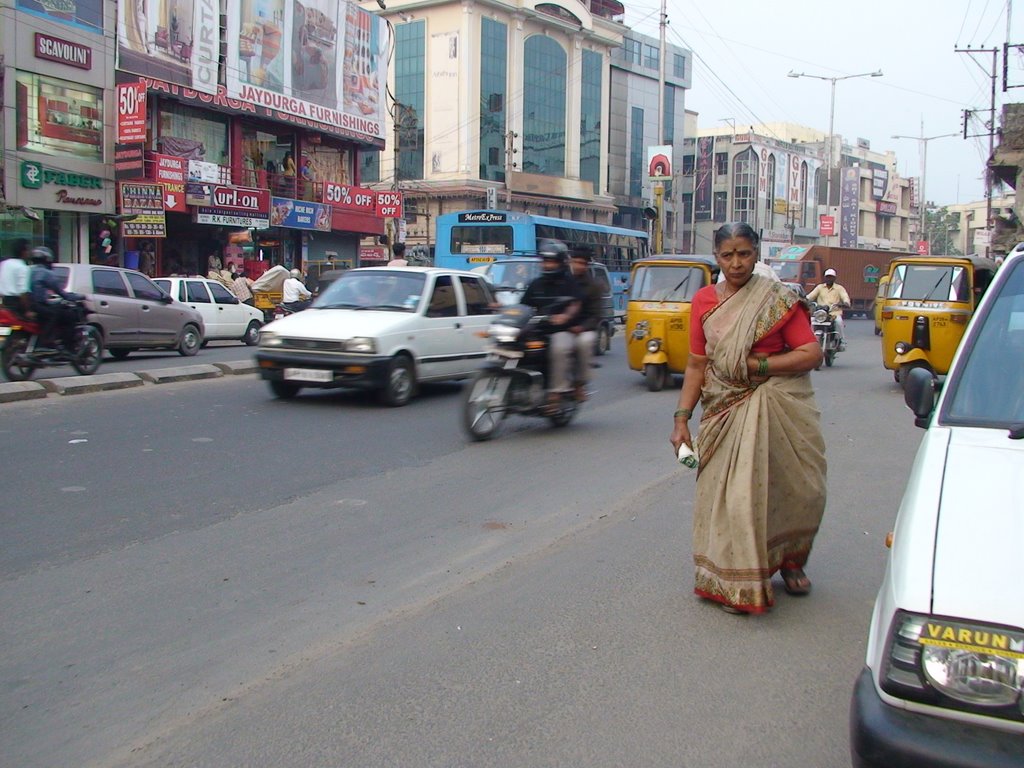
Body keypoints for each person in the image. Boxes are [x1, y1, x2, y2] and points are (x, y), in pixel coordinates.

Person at [669, 222, 827, 615]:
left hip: (779, 405)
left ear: (756, 253)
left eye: (744, 254)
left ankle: (791, 562)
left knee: (795, 490)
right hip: (724, 410)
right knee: (735, 498)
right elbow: (696, 363)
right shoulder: (705, 300)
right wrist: (681, 419)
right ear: (717, 258)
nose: (736, 263)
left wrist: (759, 364)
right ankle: (736, 580)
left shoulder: (776, 299)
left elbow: (810, 353)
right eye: (727, 255)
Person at [520, 239, 582, 410]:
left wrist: (564, 316)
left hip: (560, 330)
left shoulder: (569, 283)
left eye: (552, 261)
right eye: (545, 261)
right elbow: (523, 305)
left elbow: (575, 303)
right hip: (538, 329)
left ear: (561, 262)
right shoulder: (536, 284)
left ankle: (556, 392)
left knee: (559, 348)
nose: (548, 265)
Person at [28, 247, 86, 349]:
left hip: (29, 305)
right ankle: (51, 342)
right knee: (68, 315)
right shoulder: (46, 273)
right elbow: (63, 294)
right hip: (38, 305)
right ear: (48, 259)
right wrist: (80, 296)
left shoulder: (28, 270)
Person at [567, 246, 602, 402]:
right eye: (576, 262)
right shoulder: (562, 280)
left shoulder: (593, 287)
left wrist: (581, 327)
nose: (578, 266)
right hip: (559, 326)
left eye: (582, 263)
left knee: (583, 343)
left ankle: (579, 383)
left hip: (582, 328)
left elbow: (595, 315)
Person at [806, 268, 851, 350]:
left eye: (831, 277)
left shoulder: (839, 288)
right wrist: (805, 300)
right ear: (824, 278)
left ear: (834, 278)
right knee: (811, 322)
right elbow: (810, 296)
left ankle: (841, 341)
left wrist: (845, 303)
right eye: (827, 277)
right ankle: (809, 340)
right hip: (820, 314)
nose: (829, 279)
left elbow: (845, 297)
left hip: (834, 313)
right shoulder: (819, 287)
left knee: (839, 322)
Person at [0, 238, 32, 314]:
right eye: (28, 250)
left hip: (5, 304)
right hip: (17, 305)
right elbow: (23, 293)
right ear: (23, 252)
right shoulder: (23, 267)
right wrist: (28, 311)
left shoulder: (4, 264)